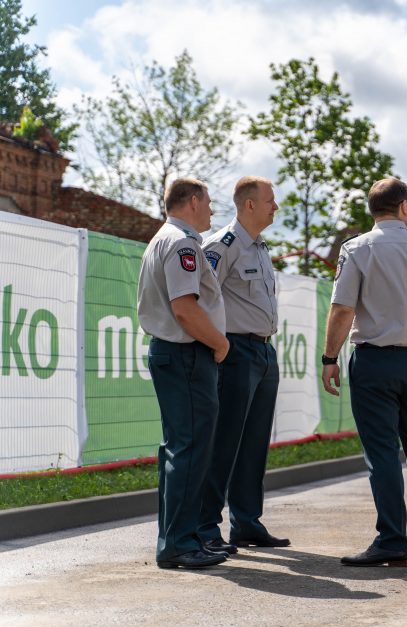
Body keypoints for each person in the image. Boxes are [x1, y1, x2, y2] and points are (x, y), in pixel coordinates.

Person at [321, 177, 407, 567]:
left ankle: (391, 540)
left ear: (374, 210)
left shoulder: (357, 249)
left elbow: (343, 308)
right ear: (403, 207)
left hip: (374, 362)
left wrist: (330, 357)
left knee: (382, 454)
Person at [137, 178, 230, 569]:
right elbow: (185, 309)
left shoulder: (165, 238)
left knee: (182, 448)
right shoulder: (182, 242)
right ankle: (178, 542)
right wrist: (221, 344)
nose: (211, 209)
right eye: (208, 201)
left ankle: (183, 536)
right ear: (193, 201)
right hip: (186, 354)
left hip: (177, 355)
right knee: (190, 449)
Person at [198, 176, 289, 551]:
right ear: (249, 205)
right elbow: (202, 297)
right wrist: (219, 345)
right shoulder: (224, 244)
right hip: (234, 351)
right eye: (270, 200)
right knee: (224, 441)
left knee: (254, 444)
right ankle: (205, 526)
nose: (276, 207)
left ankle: (247, 523)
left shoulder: (261, 247)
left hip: (264, 352)